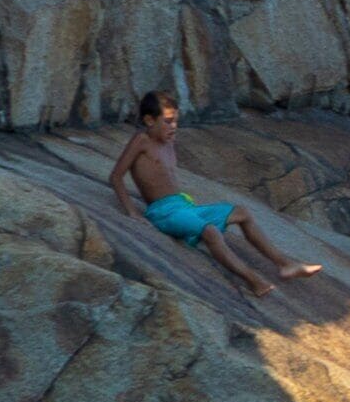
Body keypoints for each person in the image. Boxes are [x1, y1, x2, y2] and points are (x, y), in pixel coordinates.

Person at [107, 91, 322, 297]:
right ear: (149, 120)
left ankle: (286, 265)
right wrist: (132, 212)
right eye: (168, 121)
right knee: (210, 232)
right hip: (162, 211)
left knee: (242, 213)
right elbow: (116, 176)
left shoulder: (168, 142)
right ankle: (254, 281)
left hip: (184, 206)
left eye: (176, 121)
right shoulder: (142, 141)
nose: (174, 127)